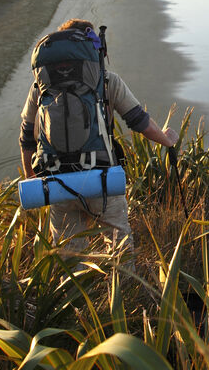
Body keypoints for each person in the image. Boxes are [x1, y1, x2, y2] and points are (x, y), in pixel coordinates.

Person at [19, 18, 178, 251]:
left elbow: (26, 137)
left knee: (69, 256)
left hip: (58, 182)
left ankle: (76, 286)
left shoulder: (41, 87)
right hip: (101, 180)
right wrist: (167, 139)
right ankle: (122, 286)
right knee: (119, 248)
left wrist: (31, 176)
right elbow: (140, 122)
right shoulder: (106, 81)